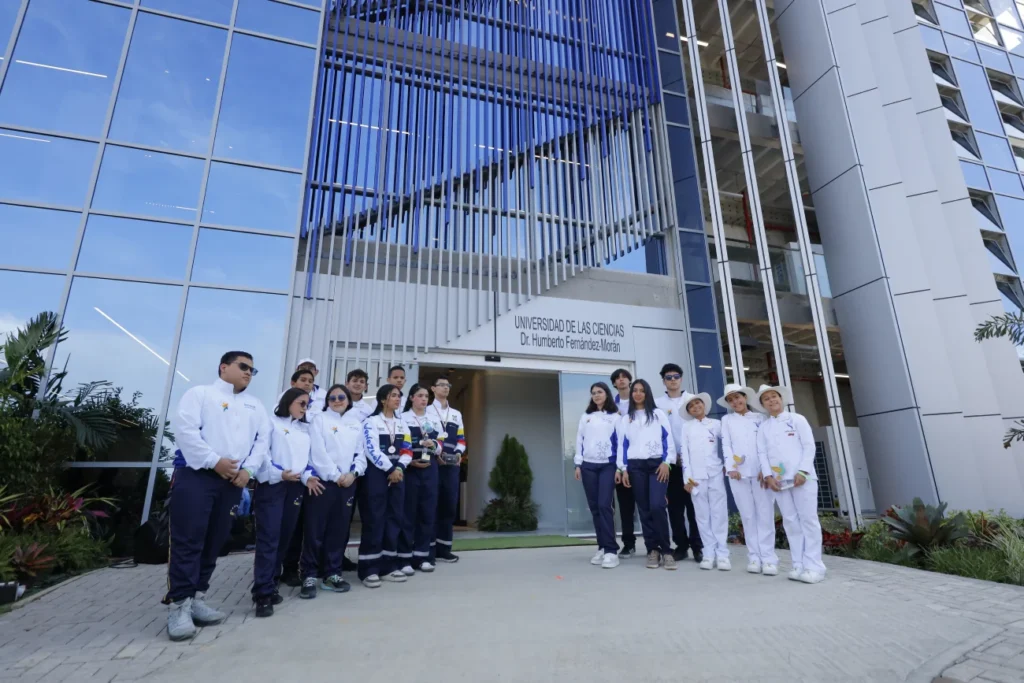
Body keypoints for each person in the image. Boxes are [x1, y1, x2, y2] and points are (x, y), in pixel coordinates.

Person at [164, 351, 270, 641]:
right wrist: (214, 461)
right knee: (189, 540)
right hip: (198, 476)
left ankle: (197, 596)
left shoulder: (254, 405)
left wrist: (248, 469)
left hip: (234, 482)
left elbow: (263, 440)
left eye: (252, 369)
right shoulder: (200, 395)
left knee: (215, 540)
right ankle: (179, 605)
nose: (249, 372)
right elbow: (185, 432)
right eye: (243, 366)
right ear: (224, 367)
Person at [245, 388, 324, 617]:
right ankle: (262, 594)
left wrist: (307, 476)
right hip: (273, 485)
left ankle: (270, 583)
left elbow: (307, 462)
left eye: (307, 405)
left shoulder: (304, 430)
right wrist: (280, 474)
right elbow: (262, 454)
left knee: (284, 539)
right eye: (301, 403)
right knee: (269, 538)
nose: (304, 408)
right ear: (288, 401)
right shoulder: (270, 424)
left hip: (296, 487)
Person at [755, 384, 826, 584]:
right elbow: (762, 454)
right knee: (791, 522)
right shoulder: (764, 427)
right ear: (763, 405)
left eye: (774, 396)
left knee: (808, 520)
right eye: (766, 399)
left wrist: (803, 470)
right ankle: (798, 564)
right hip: (779, 482)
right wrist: (768, 476)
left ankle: (815, 566)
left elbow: (808, 446)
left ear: (781, 398)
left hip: (803, 479)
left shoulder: (797, 419)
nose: (771, 400)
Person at [302, 384, 366, 598]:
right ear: (327, 401)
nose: (337, 400)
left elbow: (360, 453)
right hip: (324, 483)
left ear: (348, 399)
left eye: (341, 397)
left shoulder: (355, 423)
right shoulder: (319, 420)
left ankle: (333, 573)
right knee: (315, 531)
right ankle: (309, 574)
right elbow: (317, 453)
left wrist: (353, 474)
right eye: (332, 397)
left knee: (339, 532)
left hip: (348, 484)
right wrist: (336, 475)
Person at [616, 379, 676, 570]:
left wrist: (667, 462)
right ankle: (653, 550)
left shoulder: (658, 414)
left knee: (657, 506)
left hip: (657, 465)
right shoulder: (626, 418)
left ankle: (667, 550)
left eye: (642, 390)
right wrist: (623, 468)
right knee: (644, 509)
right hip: (635, 467)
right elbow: (622, 446)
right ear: (632, 394)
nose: (638, 393)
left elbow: (669, 439)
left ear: (647, 393)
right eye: (635, 390)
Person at [719, 384, 778, 575]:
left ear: (745, 397)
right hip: (739, 476)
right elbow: (726, 445)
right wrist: (731, 468)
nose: (736, 402)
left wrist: (766, 469)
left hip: (761, 475)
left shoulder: (760, 418)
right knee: (748, 516)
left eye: (738, 397)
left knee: (765, 515)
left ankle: (769, 559)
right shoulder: (726, 420)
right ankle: (754, 557)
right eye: (731, 400)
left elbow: (766, 445)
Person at [358, 384, 412, 587]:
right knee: (375, 518)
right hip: (377, 475)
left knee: (394, 518)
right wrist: (390, 469)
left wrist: (399, 468)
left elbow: (407, 449)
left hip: (398, 475)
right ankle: (368, 569)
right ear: (383, 399)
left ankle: (388, 566)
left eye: (399, 396)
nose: (398, 399)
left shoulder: (402, 423)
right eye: (394, 395)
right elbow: (371, 449)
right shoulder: (370, 422)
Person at [654, 363, 703, 564]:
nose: (672, 380)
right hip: (671, 464)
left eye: (676, 376)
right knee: (675, 508)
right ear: (663, 381)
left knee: (695, 507)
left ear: (681, 378)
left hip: (693, 463)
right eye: (668, 377)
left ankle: (699, 547)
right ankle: (681, 546)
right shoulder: (657, 403)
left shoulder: (692, 399)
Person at [680, 392, 729, 571]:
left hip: (716, 473)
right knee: (702, 517)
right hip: (696, 478)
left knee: (719, 515)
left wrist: (729, 465)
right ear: (689, 411)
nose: (696, 407)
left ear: (704, 405)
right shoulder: (687, 427)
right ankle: (708, 553)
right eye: (691, 405)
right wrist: (688, 479)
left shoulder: (717, 424)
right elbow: (685, 454)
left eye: (698, 403)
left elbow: (728, 446)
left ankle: (722, 554)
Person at [574, 382, 621, 569]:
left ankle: (611, 551)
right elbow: (579, 440)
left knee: (604, 505)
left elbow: (620, 442)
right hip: (588, 466)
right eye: (593, 393)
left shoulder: (616, 417)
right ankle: (602, 547)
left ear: (607, 394)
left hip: (608, 465)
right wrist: (578, 464)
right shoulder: (586, 417)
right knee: (594, 508)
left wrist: (619, 467)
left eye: (599, 392)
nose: (596, 395)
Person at [398, 384, 442, 575]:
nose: (424, 399)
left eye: (426, 396)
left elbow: (440, 446)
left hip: (430, 468)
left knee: (427, 512)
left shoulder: (433, 419)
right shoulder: (403, 418)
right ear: (411, 398)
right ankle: (405, 558)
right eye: (420, 396)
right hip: (410, 469)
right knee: (408, 514)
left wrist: (434, 445)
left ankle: (423, 556)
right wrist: (410, 462)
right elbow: (398, 443)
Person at [430, 376, 466, 564]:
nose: (445, 388)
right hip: (433, 463)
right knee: (431, 505)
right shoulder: (427, 411)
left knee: (449, 505)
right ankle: (428, 549)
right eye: (442, 385)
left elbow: (461, 438)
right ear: (433, 389)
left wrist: (459, 453)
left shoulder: (456, 414)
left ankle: (444, 548)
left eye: (448, 385)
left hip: (452, 465)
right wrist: (436, 454)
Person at [610, 368, 637, 559]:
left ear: (630, 380)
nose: (621, 380)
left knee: (648, 505)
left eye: (624, 377)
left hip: (640, 459)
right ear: (614, 384)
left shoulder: (641, 402)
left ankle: (656, 543)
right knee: (625, 505)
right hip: (619, 462)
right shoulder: (610, 405)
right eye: (617, 379)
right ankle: (628, 544)